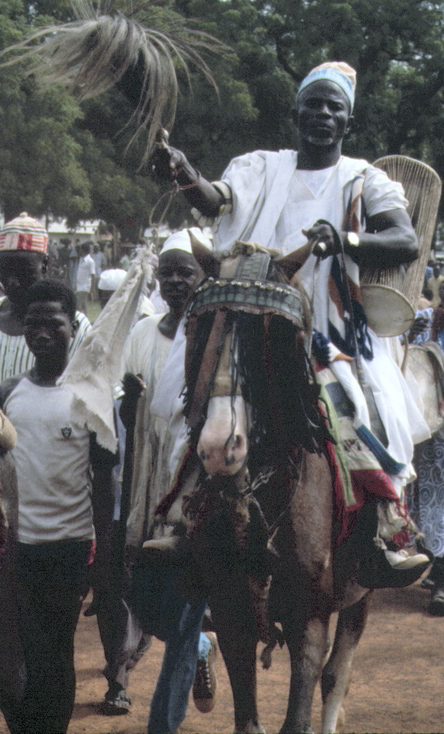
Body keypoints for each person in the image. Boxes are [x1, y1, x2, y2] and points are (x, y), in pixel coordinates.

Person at [151, 61, 431, 574]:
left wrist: (343, 239)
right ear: (296, 111)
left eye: (334, 107)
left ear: (347, 121)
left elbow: (405, 240)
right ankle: (181, 519)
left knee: (364, 408)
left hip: (328, 329)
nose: (323, 113)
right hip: (247, 316)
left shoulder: (363, 179)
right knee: (198, 401)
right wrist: (187, 174)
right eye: (314, 103)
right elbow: (215, 200)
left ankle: (385, 529)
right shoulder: (259, 167)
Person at [0, 278, 117, 734]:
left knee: (53, 656)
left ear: (74, 327)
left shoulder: (89, 398)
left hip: (68, 550)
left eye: (54, 322)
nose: (42, 331)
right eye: (32, 323)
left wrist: (104, 562)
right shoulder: (9, 394)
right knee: (14, 656)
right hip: (15, 550)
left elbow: (105, 484)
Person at [119, 229, 218, 731]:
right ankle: (202, 642)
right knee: (135, 594)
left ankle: (165, 723)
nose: (177, 280)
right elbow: (129, 409)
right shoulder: (142, 332)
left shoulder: (216, 331)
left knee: (180, 611)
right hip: (144, 478)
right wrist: (128, 396)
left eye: (187, 271)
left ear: (203, 277)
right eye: (169, 271)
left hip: (192, 482)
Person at [0, 212, 91, 382]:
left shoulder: (72, 325)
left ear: (45, 266)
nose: (12, 282)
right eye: (4, 271)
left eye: (23, 271)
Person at [76, 241, 96, 315]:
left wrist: (92, 289)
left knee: (78, 306)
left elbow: (93, 275)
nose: (79, 251)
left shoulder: (90, 261)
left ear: (84, 250)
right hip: (79, 286)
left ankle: (82, 321)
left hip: (84, 287)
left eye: (81, 249)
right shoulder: (81, 259)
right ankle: (85, 321)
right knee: (83, 306)